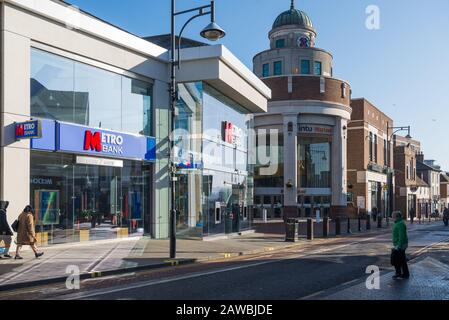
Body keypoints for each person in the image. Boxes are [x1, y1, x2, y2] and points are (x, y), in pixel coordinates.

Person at [392, 211, 410, 280]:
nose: (392, 218)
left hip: (400, 244)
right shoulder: (399, 223)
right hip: (400, 244)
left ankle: (400, 273)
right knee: (401, 260)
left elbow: (401, 236)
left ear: (397, 217)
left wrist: (399, 246)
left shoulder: (400, 224)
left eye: (393, 217)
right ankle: (403, 273)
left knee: (398, 260)